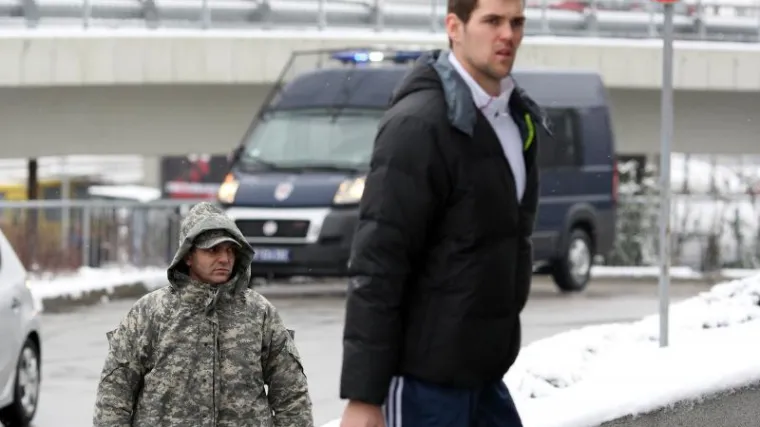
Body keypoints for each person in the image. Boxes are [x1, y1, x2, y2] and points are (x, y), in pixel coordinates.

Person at [338, 0, 549, 424]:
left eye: (516, 22)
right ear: (454, 27)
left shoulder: (514, 120)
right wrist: (364, 396)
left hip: (484, 378)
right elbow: (379, 263)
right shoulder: (419, 124)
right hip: (423, 385)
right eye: (492, 21)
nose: (507, 35)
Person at [93, 202, 314, 427]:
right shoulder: (149, 313)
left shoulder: (260, 312)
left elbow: (292, 397)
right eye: (213, 250)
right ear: (188, 256)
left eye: (230, 250)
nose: (224, 259)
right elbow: (114, 396)